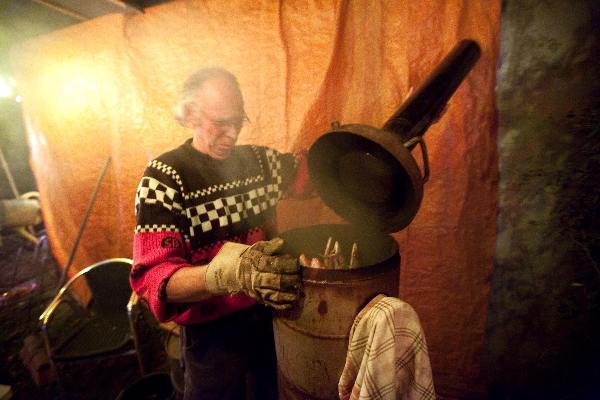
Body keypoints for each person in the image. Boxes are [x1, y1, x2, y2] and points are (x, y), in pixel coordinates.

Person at [130, 68, 310, 400]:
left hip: (267, 316)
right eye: (220, 122)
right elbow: (154, 278)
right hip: (210, 332)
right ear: (190, 114)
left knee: (270, 392)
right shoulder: (165, 179)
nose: (231, 134)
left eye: (238, 121)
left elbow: (310, 177)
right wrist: (229, 274)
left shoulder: (258, 163)